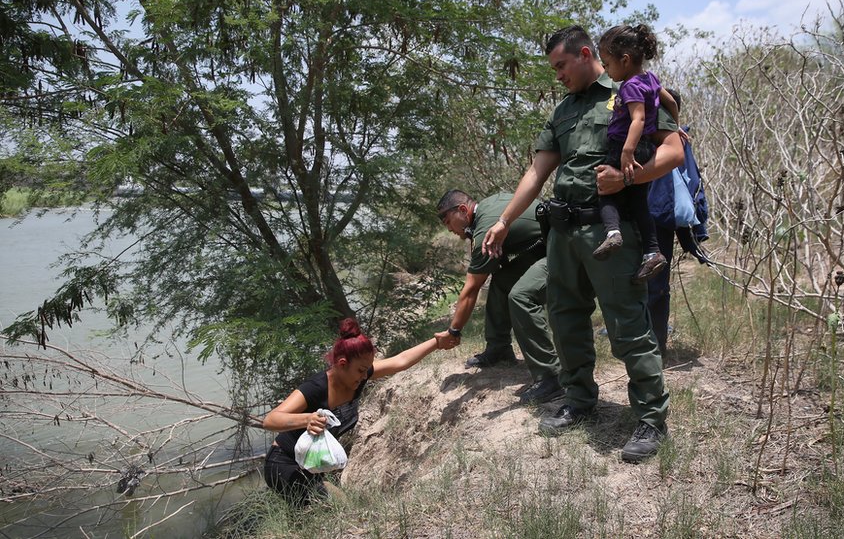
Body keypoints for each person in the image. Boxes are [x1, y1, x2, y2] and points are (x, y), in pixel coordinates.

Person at [482, 25, 685, 463]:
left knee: (627, 325)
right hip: (564, 232)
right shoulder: (562, 111)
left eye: (561, 66)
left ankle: (651, 419)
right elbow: (537, 174)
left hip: (610, 230)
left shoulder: (630, 89)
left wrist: (628, 176)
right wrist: (503, 220)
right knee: (566, 318)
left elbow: (673, 152)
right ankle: (579, 399)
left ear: (586, 54)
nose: (557, 75)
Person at [262, 318, 453, 504]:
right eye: (361, 370)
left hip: (312, 464)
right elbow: (270, 420)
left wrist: (436, 342)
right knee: (339, 508)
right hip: (283, 463)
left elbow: (400, 361)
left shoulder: (358, 376)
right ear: (342, 363)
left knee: (330, 510)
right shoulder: (316, 387)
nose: (365, 376)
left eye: (367, 370)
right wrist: (307, 419)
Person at [434, 190, 563, 404]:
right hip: (545, 247)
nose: (448, 229)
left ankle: (551, 378)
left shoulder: (485, 228)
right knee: (502, 281)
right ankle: (499, 348)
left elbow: (471, 289)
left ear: (463, 210)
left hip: (565, 250)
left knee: (521, 296)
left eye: (448, 221)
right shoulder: (487, 207)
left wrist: (453, 331)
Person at [592, 24, 680, 284]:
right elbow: (672, 103)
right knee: (639, 202)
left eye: (607, 63)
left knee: (605, 188)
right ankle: (652, 253)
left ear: (625, 60)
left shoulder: (629, 86)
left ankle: (612, 233)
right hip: (647, 149)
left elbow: (638, 119)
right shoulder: (651, 78)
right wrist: (676, 127)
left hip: (625, 146)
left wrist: (627, 152)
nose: (606, 70)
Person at [645, 89, 711, 358]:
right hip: (652, 218)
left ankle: (654, 348)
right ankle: (650, 346)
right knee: (652, 284)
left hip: (658, 218)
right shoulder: (667, 137)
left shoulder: (675, 141)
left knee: (655, 284)